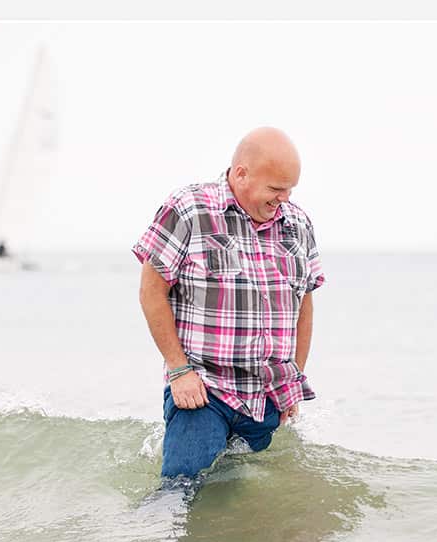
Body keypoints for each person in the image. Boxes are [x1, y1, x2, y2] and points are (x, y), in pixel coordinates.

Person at [133, 127, 325, 480]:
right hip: (203, 393)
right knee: (179, 492)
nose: (284, 198)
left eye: (290, 189)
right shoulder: (189, 210)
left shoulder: (298, 224)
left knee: (247, 505)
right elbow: (151, 290)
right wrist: (178, 370)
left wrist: (293, 382)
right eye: (275, 189)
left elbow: (304, 306)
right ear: (241, 173)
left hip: (266, 400)